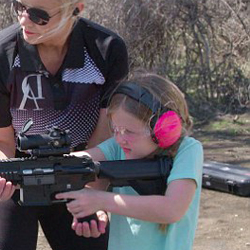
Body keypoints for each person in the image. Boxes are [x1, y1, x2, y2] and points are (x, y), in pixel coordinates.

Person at [0, 0, 129, 249]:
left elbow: (104, 137)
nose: (24, 20)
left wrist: (96, 196)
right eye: (19, 6)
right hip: (12, 164)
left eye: (39, 15)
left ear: (77, 9)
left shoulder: (107, 50)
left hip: (80, 170)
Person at [55, 72, 203, 250]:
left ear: (164, 128)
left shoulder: (187, 150)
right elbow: (75, 163)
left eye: (129, 131)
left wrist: (100, 200)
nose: (120, 138)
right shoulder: (119, 147)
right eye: (115, 129)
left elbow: (171, 209)